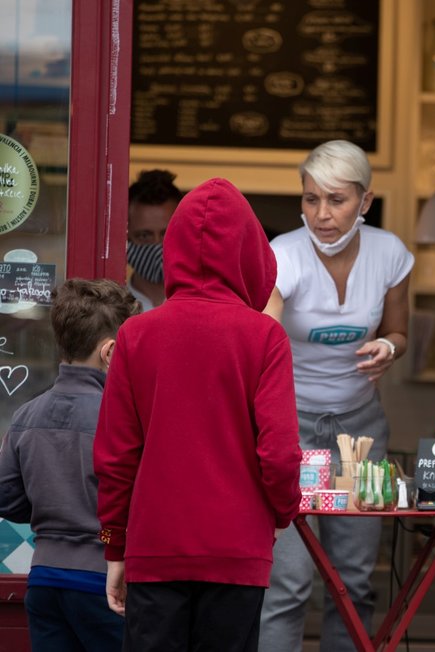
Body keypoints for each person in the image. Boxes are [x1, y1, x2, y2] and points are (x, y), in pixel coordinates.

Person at [94, 178, 302, 651]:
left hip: (154, 545)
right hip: (238, 548)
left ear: (173, 249)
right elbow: (280, 454)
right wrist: (281, 511)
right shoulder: (264, 337)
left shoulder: (135, 336)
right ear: (250, 252)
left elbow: (115, 457)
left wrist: (115, 546)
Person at [259, 140, 413, 652]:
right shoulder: (282, 255)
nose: (321, 215)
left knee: (352, 581)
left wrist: (389, 347)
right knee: (288, 581)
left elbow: (400, 332)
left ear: (365, 201)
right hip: (292, 429)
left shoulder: (389, 253)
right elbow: (262, 342)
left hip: (360, 430)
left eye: (336, 200)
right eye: (310, 199)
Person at [0, 278, 140, 651]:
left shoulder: (27, 413)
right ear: (110, 352)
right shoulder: (123, 420)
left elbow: (7, 498)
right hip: (105, 581)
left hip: (44, 579)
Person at [127, 169, 181, 311]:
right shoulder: (112, 310)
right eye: (145, 235)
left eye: (167, 234)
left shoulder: (200, 307)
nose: (157, 245)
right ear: (126, 237)